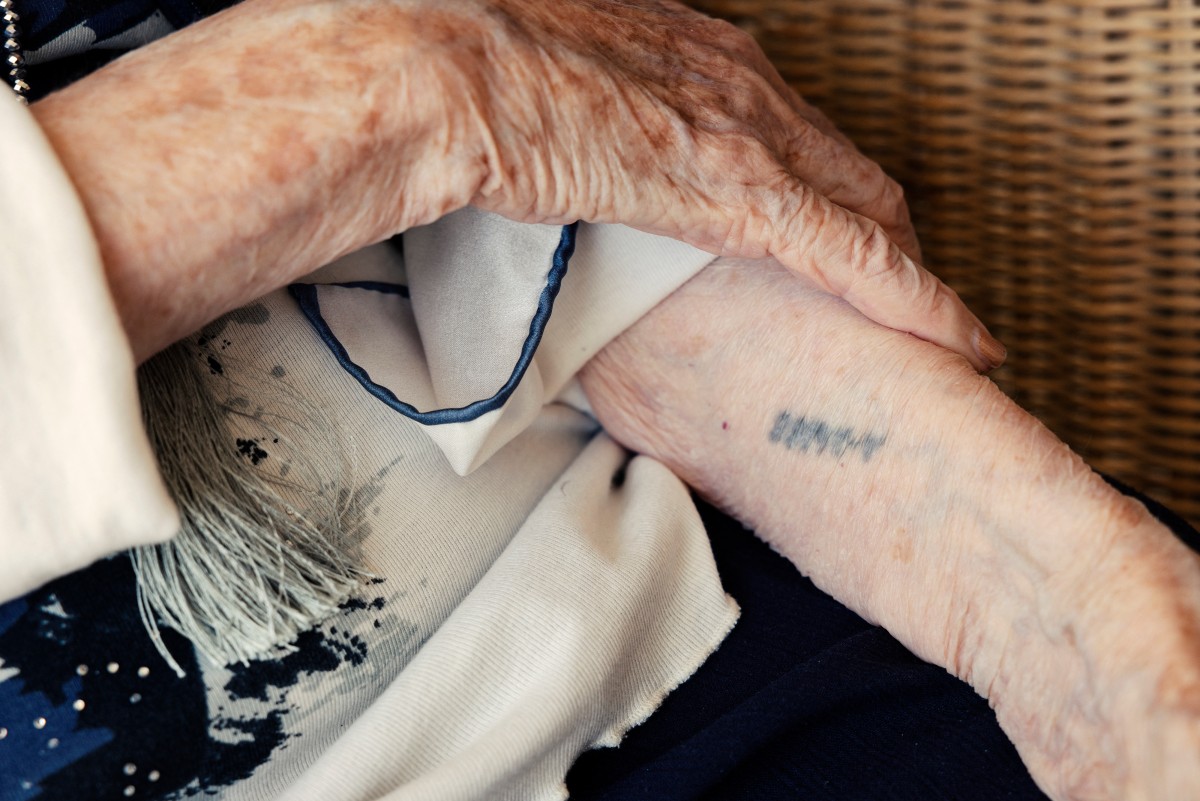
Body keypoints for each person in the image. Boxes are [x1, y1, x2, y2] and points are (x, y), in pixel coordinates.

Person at [0, 1, 1196, 800]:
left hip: (675, 624)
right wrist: (389, 88)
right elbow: (437, 83)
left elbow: (575, 135)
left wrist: (1053, 590)